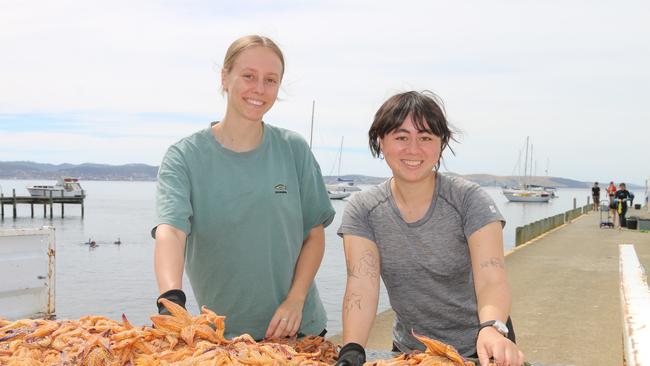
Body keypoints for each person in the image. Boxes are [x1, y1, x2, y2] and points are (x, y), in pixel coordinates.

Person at [152, 35, 335, 341]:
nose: (259, 89)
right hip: (224, 339)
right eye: (249, 76)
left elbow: (314, 236)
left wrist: (296, 299)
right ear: (225, 77)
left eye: (270, 80)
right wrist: (171, 299)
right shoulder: (184, 156)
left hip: (298, 330)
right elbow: (170, 231)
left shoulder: (293, 149)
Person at [336, 91, 524, 366]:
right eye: (401, 137)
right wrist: (352, 349)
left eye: (425, 138)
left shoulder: (469, 199)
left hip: (482, 346)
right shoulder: (363, 208)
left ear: (441, 144)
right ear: (381, 141)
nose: (413, 149)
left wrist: (493, 329)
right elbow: (361, 285)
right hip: (411, 351)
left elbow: (491, 277)